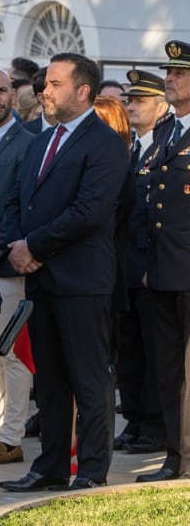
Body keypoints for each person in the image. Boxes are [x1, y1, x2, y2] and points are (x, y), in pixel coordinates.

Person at [0, 53, 129, 492]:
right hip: (41, 281)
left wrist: (34, 246)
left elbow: (88, 212)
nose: (44, 91)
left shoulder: (105, 143)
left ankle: (91, 470)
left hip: (82, 282)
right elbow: (21, 200)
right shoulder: (40, 141)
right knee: (50, 381)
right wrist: (18, 245)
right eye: (44, 84)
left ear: (83, 91)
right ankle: (50, 466)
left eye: (54, 84)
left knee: (89, 379)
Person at [136, 41, 190, 481]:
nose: (169, 79)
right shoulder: (167, 132)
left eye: (179, 73)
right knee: (169, 370)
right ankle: (175, 454)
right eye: (168, 73)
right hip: (164, 271)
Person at [0, 67, 35, 465]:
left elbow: (19, 208)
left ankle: (12, 437)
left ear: (13, 97)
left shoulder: (28, 144)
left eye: (3, 91)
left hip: (5, 266)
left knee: (10, 353)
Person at [116, 69, 171, 456]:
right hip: (127, 265)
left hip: (154, 264)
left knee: (156, 348)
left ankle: (154, 423)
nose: (131, 106)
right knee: (129, 347)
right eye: (130, 100)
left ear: (161, 106)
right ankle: (135, 418)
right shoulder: (131, 147)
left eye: (140, 101)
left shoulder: (166, 146)